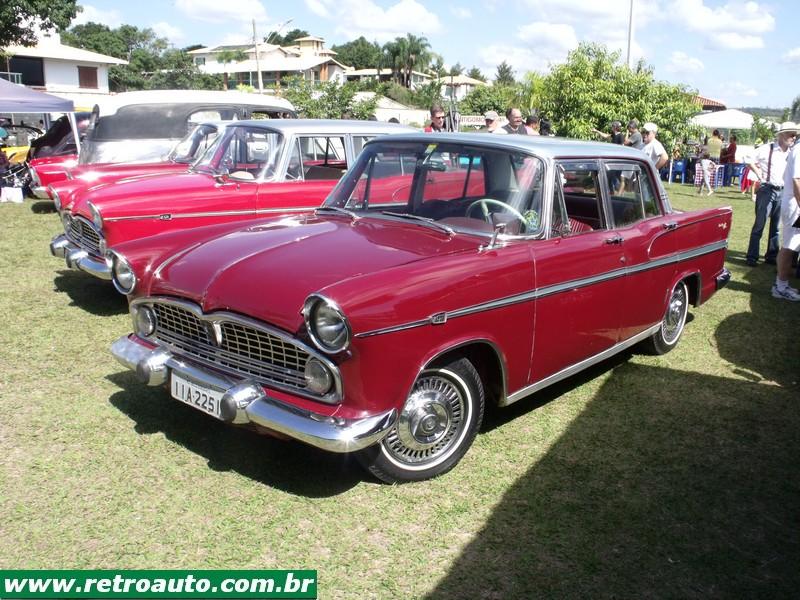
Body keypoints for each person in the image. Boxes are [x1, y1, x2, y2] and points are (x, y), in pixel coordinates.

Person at [745, 122, 798, 267]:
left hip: (783, 191)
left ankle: (772, 256)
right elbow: (747, 158)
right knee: (759, 224)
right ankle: (752, 256)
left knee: (776, 227)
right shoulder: (767, 148)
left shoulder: (792, 152)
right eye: (791, 134)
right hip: (767, 189)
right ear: (781, 135)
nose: (794, 137)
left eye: (795, 135)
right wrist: (759, 174)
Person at [773, 124, 800, 300]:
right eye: (790, 134)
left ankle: (782, 284)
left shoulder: (795, 150)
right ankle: (780, 286)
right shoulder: (799, 150)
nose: (793, 136)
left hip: (793, 202)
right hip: (794, 204)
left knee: (791, 245)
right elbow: (797, 180)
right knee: (790, 246)